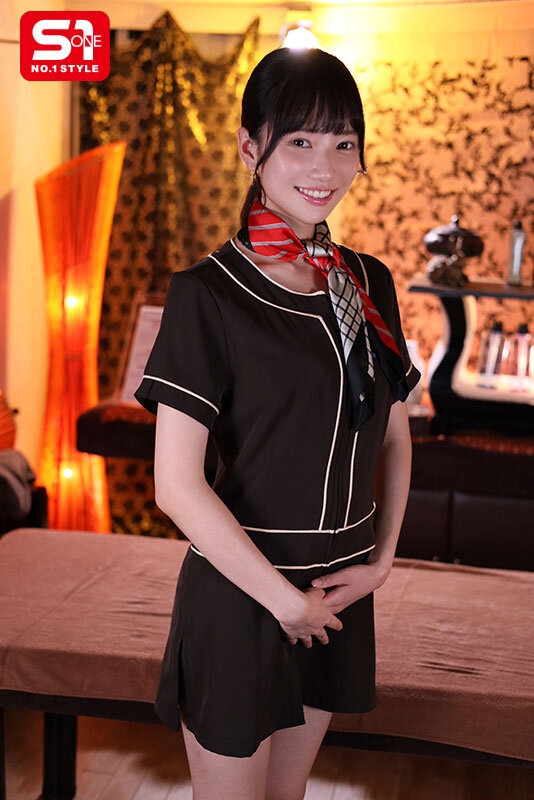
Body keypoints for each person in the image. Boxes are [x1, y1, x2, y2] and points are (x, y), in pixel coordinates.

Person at [134, 46, 421, 800]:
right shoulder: (208, 295)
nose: (325, 166)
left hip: (338, 593)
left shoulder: (367, 282)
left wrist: (381, 562)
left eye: (343, 143)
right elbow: (175, 486)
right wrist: (283, 601)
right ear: (248, 148)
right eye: (299, 140)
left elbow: (392, 433)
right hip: (242, 595)